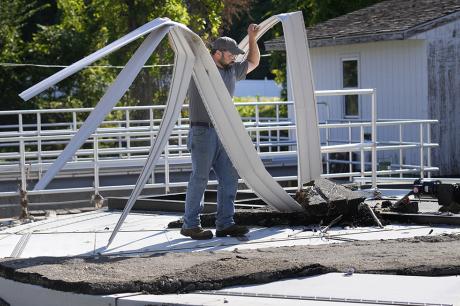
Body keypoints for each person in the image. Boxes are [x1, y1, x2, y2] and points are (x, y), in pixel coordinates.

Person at [181, 24, 260, 240]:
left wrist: (252, 37)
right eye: (231, 53)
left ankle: (225, 223)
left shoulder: (232, 71)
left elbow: (253, 62)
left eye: (236, 54)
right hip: (202, 131)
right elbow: (192, 53)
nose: (235, 57)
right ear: (217, 53)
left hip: (224, 131)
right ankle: (190, 224)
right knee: (200, 177)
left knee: (229, 176)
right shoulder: (202, 70)